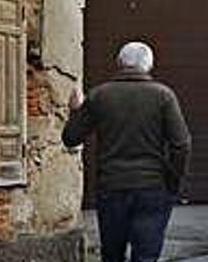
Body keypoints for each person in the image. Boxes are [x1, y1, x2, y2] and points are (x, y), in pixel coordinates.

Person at [63, 41, 191, 262]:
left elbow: (71, 138)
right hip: (152, 187)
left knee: (112, 255)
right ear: (149, 66)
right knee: (146, 255)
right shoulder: (163, 96)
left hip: (112, 186)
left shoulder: (99, 96)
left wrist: (75, 111)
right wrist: (173, 182)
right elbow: (181, 144)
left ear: (119, 63)